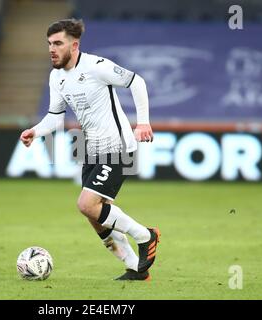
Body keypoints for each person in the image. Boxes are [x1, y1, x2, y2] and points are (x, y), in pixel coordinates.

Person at [20, 18, 160, 281]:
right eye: (49, 43)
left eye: (58, 43)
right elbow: (55, 116)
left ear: (74, 45)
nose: (52, 49)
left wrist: (143, 123)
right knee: (95, 216)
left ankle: (146, 235)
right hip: (91, 150)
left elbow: (137, 82)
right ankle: (134, 268)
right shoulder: (56, 77)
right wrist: (35, 131)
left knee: (86, 204)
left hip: (118, 146)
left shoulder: (97, 66)